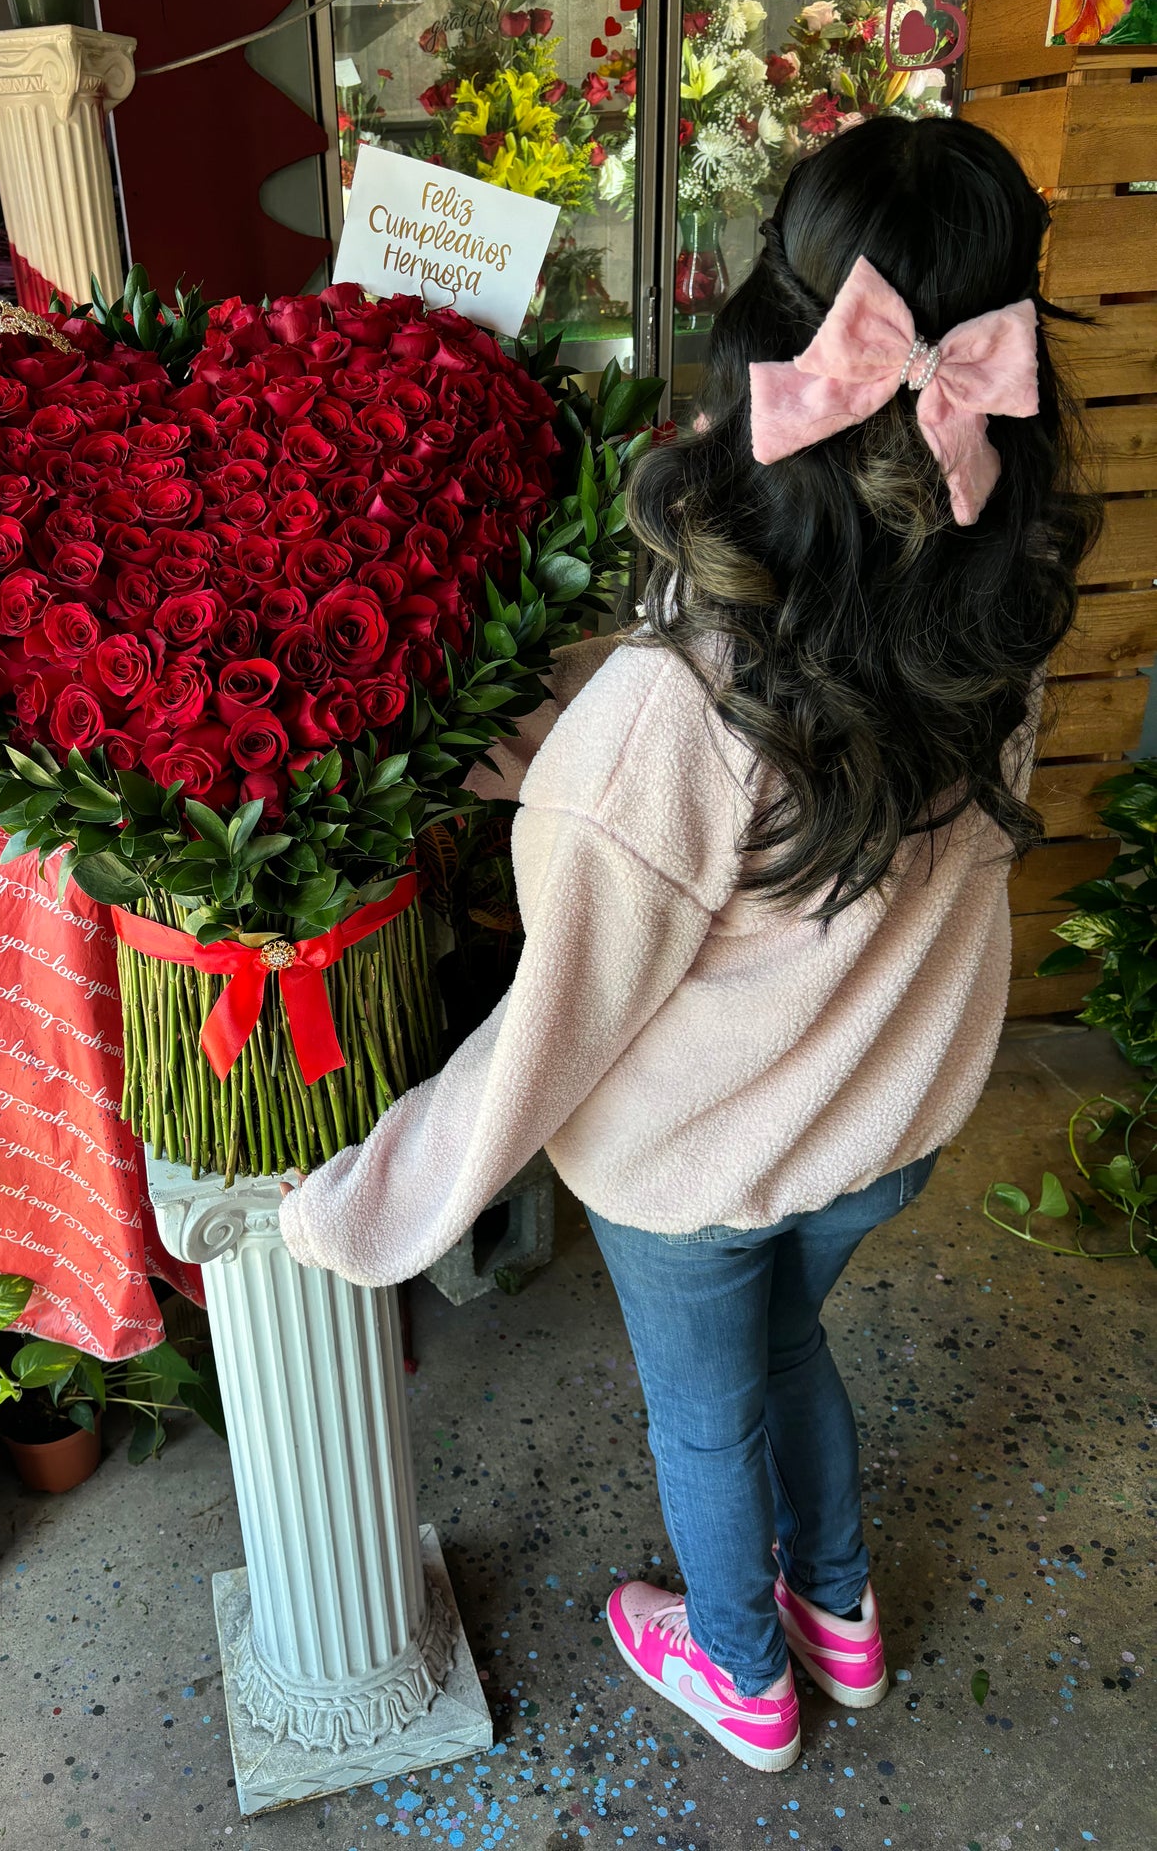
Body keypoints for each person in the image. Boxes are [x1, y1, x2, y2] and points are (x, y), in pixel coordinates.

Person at [277, 117, 1098, 1773]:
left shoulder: (678, 702)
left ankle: (742, 1670)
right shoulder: (995, 618)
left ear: (762, 342)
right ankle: (840, 1622)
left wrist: (371, 1199)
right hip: (876, 1138)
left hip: (693, 1166)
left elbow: (557, 1020)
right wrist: (585, 750)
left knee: (704, 1416)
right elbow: (809, 816)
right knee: (791, 1345)